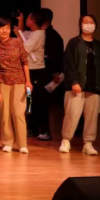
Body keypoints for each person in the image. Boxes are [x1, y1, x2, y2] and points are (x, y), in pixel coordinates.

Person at [61, 14, 100, 155]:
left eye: (91, 22)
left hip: (95, 87)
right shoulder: (74, 43)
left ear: (95, 25)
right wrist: (74, 81)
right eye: (85, 22)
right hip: (77, 86)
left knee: (92, 117)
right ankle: (66, 140)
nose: (88, 24)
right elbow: (68, 64)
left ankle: (88, 143)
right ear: (80, 25)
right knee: (72, 114)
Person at [0, 17, 31, 154]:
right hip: (1, 81)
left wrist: (28, 81)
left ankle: (22, 144)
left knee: (18, 112)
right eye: (1, 28)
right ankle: (7, 142)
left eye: (7, 28)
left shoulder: (17, 42)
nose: (4, 31)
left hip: (19, 80)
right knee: (4, 113)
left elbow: (24, 63)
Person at [32, 8, 66, 141]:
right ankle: (36, 129)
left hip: (47, 74)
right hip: (43, 72)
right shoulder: (43, 33)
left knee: (43, 102)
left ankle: (45, 131)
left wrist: (54, 72)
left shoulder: (50, 35)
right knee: (38, 102)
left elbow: (54, 56)